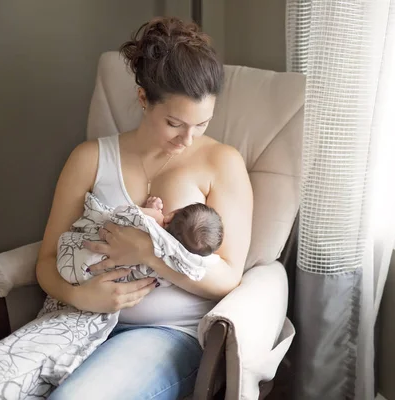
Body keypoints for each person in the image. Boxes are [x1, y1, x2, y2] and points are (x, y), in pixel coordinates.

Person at [36, 16, 253, 399]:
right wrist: (81, 297)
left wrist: (149, 253)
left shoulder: (222, 162)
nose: (188, 139)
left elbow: (228, 277)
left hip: (166, 333)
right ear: (142, 99)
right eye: (174, 123)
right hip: (80, 317)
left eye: (202, 124)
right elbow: (48, 260)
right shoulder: (89, 158)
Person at [58, 192, 224, 287]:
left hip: (76, 255)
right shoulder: (179, 265)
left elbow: (123, 213)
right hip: (92, 280)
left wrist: (149, 211)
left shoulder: (155, 219)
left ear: (172, 214)